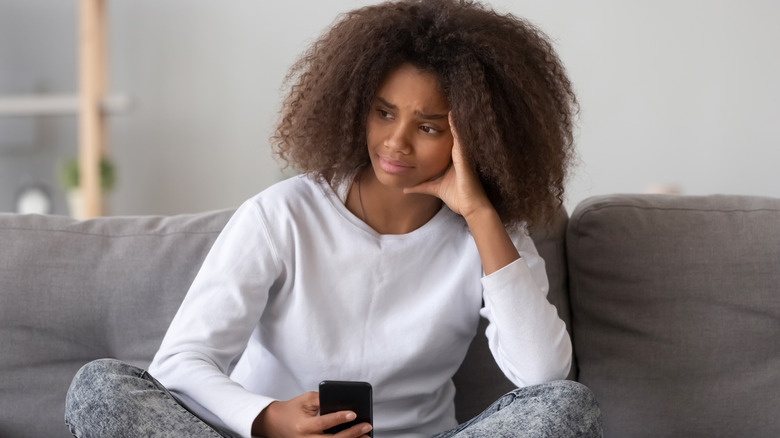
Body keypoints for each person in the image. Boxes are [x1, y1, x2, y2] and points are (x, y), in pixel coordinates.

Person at [65, 0, 603, 437]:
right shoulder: (283, 215)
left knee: (567, 409)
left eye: (430, 126)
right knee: (101, 388)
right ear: (356, 104)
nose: (395, 142)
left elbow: (543, 378)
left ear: (478, 137)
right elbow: (181, 363)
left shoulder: (492, 234)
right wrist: (268, 419)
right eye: (384, 112)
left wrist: (481, 214)